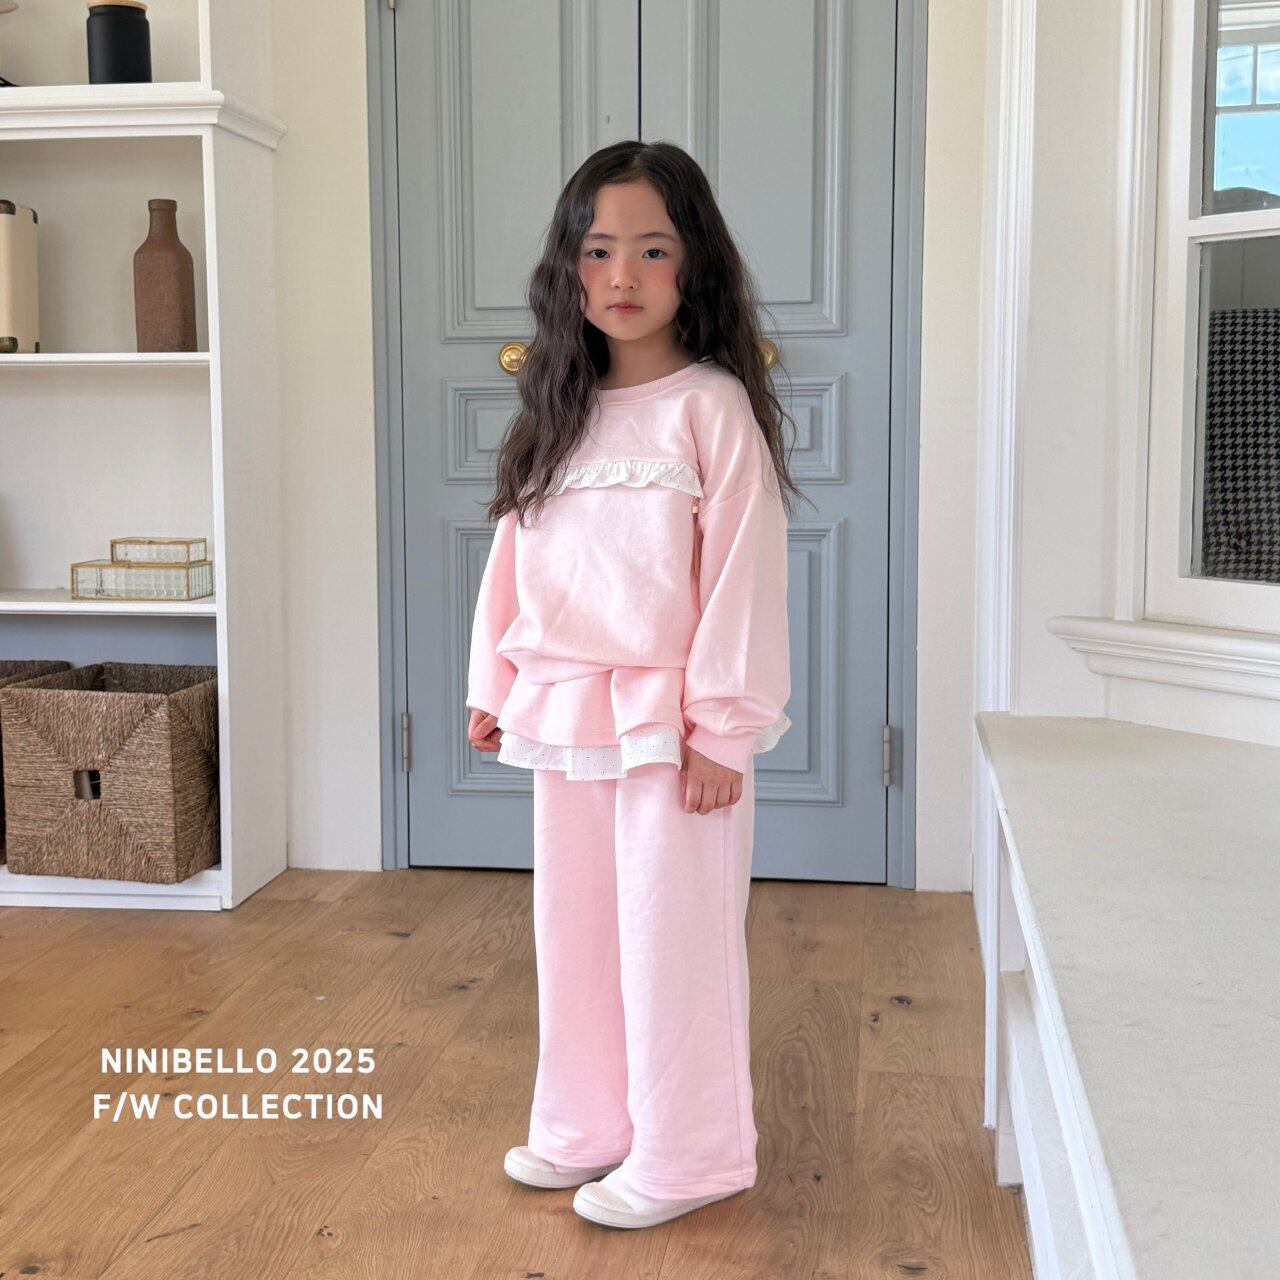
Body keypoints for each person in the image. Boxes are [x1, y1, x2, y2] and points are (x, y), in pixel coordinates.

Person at [465, 139, 804, 1231]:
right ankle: (586, 1121)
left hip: (671, 723)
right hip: (567, 705)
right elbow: (515, 556)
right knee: (575, 928)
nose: (622, 275)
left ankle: (693, 1150)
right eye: (598, 249)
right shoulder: (557, 409)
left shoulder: (711, 408)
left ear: (692, 264)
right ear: (568, 266)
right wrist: (495, 680)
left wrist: (723, 729)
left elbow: (741, 571)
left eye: (652, 250)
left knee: (672, 938)